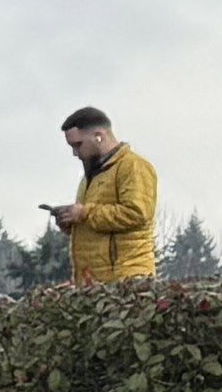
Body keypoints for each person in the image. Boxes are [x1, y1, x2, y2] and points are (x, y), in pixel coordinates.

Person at [50, 108, 159, 285]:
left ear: (99, 136)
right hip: (95, 283)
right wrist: (70, 222)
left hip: (128, 278)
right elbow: (96, 223)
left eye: (78, 145)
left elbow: (137, 214)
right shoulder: (90, 177)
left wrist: (85, 213)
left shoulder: (133, 167)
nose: (75, 153)